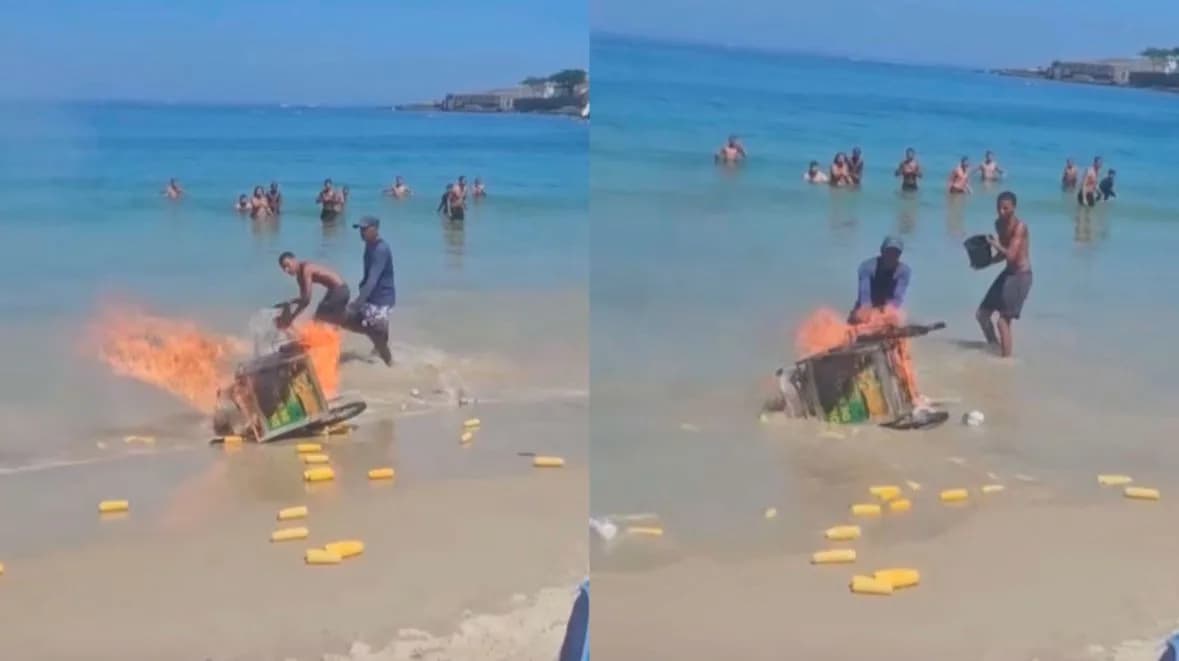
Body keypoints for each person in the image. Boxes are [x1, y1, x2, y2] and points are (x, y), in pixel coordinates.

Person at [976, 191, 1032, 358]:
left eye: (1005, 208)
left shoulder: (1020, 227)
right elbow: (1003, 254)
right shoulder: (999, 224)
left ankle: (1006, 361)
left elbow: (1011, 255)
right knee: (982, 315)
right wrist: (987, 262)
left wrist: (994, 243)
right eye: (999, 208)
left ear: (1014, 208)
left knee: (1003, 321)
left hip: (1021, 276)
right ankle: (994, 347)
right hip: (1008, 273)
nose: (1001, 212)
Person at [347, 216, 396, 366]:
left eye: (365, 229)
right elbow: (368, 275)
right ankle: (380, 357)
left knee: (376, 330)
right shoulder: (369, 245)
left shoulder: (381, 249)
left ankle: (390, 363)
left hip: (382, 297)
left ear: (375, 229)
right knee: (375, 329)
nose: (361, 233)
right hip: (371, 295)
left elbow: (373, 278)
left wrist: (358, 301)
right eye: (360, 230)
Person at [276, 252, 351, 328]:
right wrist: (291, 302)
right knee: (321, 316)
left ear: (294, 260)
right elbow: (303, 299)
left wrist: (292, 317)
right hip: (334, 291)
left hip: (340, 290)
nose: (286, 270)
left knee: (320, 316)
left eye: (287, 265)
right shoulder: (299, 278)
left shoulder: (306, 269)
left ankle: (326, 334)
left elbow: (306, 300)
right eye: (283, 268)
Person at [849, 236, 911, 323]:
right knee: (862, 315)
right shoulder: (867, 267)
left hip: (887, 307)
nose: (892, 256)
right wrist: (868, 312)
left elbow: (898, 296)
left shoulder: (904, 271)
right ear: (882, 252)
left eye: (895, 253)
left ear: (899, 255)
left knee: (894, 317)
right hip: (866, 306)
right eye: (889, 252)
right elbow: (864, 293)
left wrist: (886, 313)